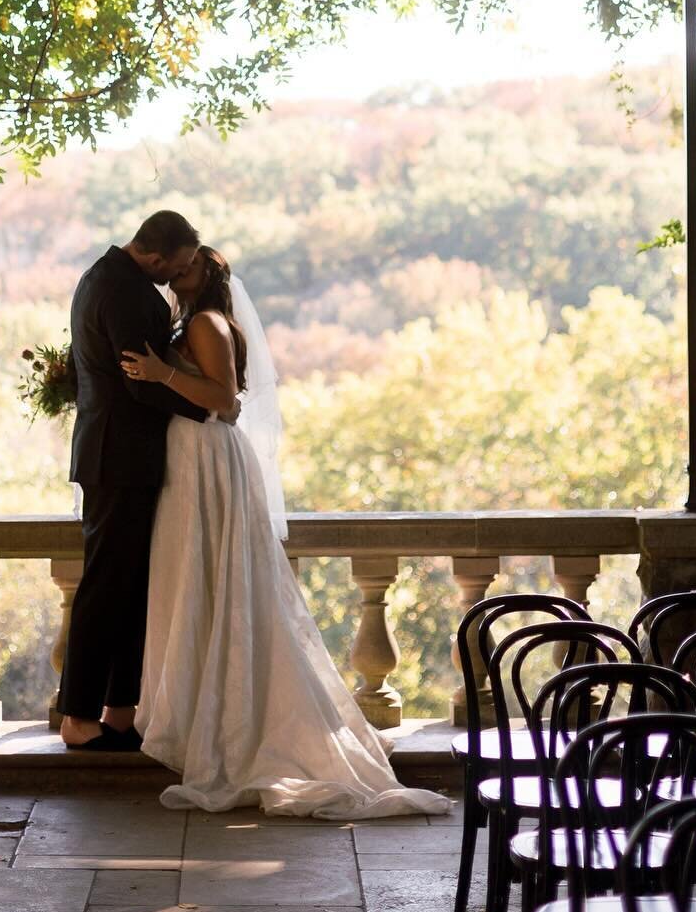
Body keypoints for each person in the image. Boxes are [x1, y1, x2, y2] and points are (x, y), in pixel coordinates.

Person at [121, 246, 452, 818]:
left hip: (207, 459)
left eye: (189, 268)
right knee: (197, 585)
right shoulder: (193, 319)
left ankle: (239, 727)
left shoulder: (207, 323)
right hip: (192, 459)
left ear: (210, 275)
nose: (178, 275)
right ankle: (209, 710)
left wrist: (160, 372)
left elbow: (224, 401)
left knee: (219, 585)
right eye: (177, 267)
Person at [57, 210, 208, 751]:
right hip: (116, 456)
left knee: (131, 586)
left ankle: (121, 710)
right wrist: (209, 408)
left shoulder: (107, 277)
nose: (181, 274)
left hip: (121, 455)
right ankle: (77, 716)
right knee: (104, 587)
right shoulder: (124, 290)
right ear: (156, 254)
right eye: (182, 264)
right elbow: (138, 380)